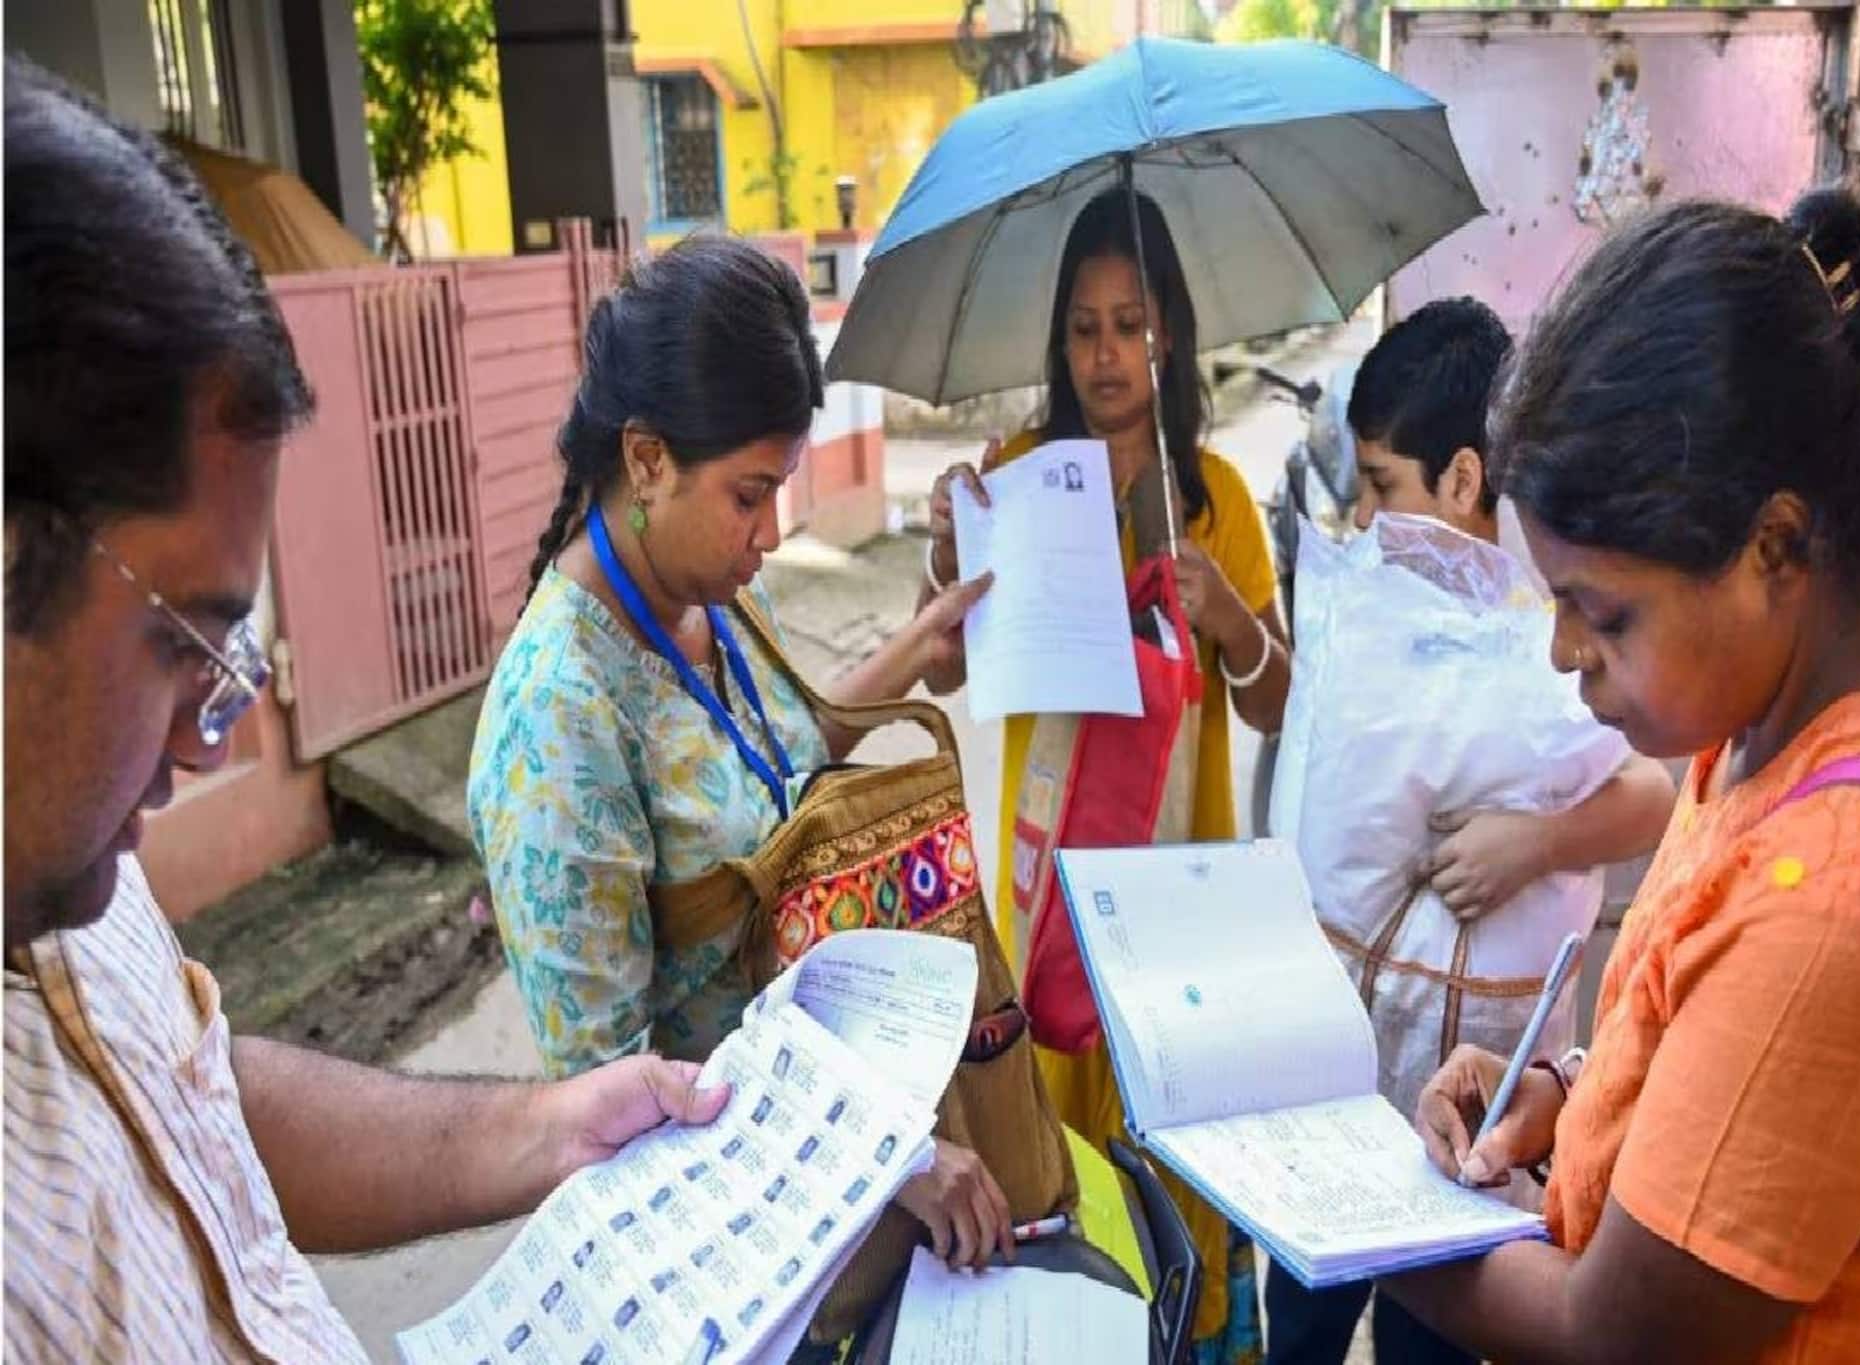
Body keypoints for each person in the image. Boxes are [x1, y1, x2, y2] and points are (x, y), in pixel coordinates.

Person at [1, 60, 731, 1361]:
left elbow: (192, 1086)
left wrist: (554, 1125)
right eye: (184, 646)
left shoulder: (70, 878)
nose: (200, 740)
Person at [1380, 193, 1860, 1364]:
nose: (1562, 657)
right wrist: (1572, 1090)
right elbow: (1745, 1066)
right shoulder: (1794, 692)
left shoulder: (1851, 909)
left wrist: (1369, 1225)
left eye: (1604, 616)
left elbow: (1620, 1338)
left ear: (1773, 546)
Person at [466, 236, 1017, 1272]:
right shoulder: (558, 722)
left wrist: (913, 645)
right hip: (727, 1248)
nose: (769, 533)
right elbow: (612, 1101)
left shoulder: (708, 601)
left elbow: (777, 751)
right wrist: (881, 1158)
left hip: (832, 1164)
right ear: (644, 459)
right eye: (748, 495)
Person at [1263, 297, 1679, 1365]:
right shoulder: (1367, 616)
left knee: (1433, 1333)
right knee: (1302, 1315)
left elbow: (1652, 796)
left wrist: (1529, 843)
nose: (1365, 524)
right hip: (1337, 1079)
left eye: (1382, 489)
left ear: (1460, 479)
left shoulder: (1544, 624)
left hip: (1477, 1103)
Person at [922, 188, 1288, 1363]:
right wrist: (951, 556)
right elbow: (940, 678)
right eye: (1082, 328)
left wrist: (1230, 620)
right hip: (1051, 913)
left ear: (1167, 333)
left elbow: (1275, 701)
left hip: (1185, 905)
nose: (1103, 354)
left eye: (1127, 324)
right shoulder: (1019, 481)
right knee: (1062, 1176)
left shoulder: (1217, 497)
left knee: (1176, 1149)